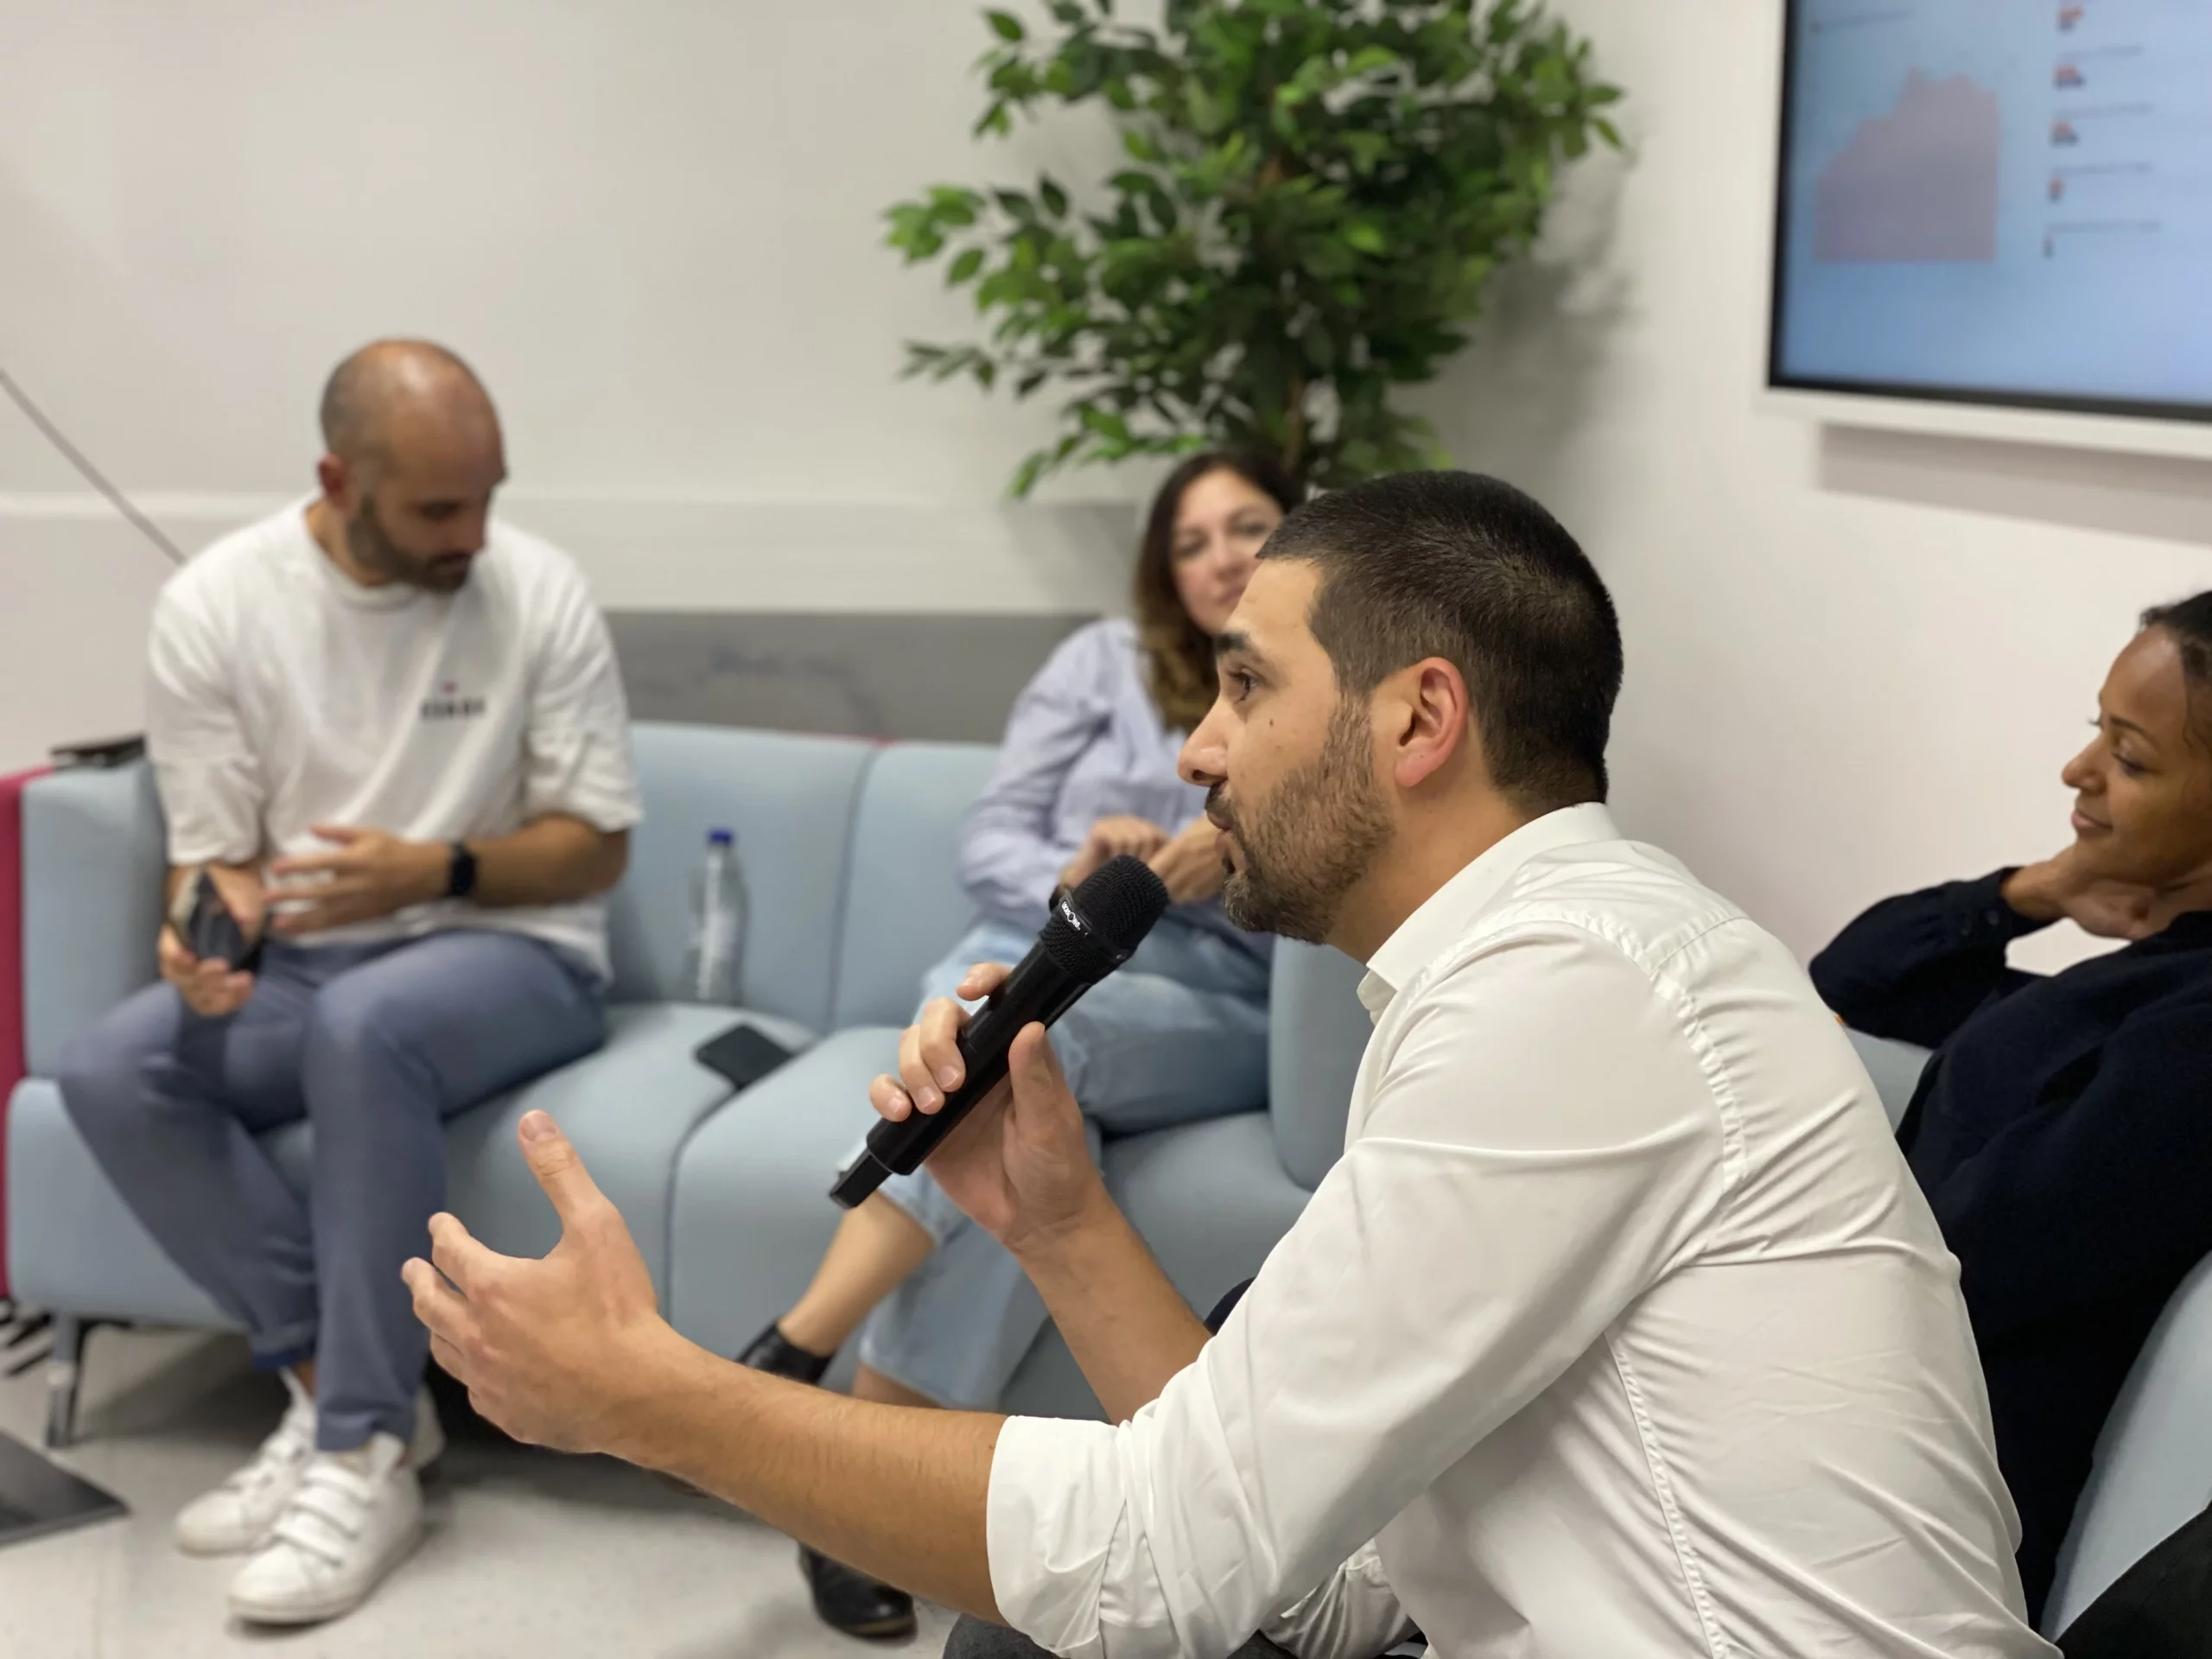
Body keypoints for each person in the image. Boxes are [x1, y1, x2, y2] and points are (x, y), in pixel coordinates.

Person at [408, 471, 2050, 1658]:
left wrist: (657, 1399)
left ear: (1419, 721)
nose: (1198, 749)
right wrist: (1053, 1218)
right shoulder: (1523, 972)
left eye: (1248, 686)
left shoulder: (1573, 995)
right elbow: (1316, 1577)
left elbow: (1168, 1565)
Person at [58, 340, 641, 1628]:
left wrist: (433, 868)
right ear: (338, 481)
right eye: (438, 509)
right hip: (309, 963)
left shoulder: (538, 591)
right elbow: (215, 858)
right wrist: (201, 941)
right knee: (112, 1070)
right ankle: (331, 1384)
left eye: (487, 496)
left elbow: (597, 844)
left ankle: (367, 1447)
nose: (472, 534)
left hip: (521, 949)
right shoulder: (217, 605)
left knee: (364, 1028)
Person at [741, 450, 1297, 1638]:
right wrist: (1073, 867)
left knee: (1028, 1051)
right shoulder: (1101, 663)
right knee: (1017, 1084)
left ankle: (792, 1354)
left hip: (1209, 993)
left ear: (1294, 536)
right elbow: (988, 833)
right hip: (1041, 942)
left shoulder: (1316, 686)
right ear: (1162, 569)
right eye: (1190, 540)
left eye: (1246, 526)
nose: (1219, 557)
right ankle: (859, 1503)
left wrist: (1228, 852)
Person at [1810, 593, 2212, 1626]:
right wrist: (2036, 888)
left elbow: (1956, 1269)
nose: (2079, 772)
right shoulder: (2128, 996)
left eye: (2129, 757)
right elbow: (1854, 980)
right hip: (1851, 1465)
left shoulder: (2188, 1037)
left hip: (1902, 1551)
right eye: (2096, 733)